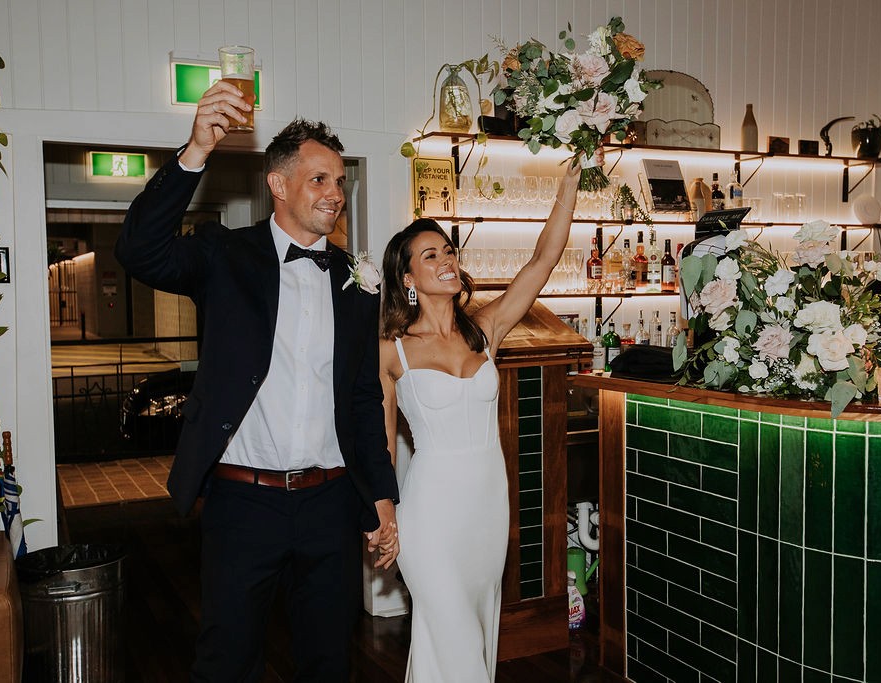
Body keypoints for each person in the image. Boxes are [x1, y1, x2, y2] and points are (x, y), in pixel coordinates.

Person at [115, 80, 399, 682]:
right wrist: (196, 150)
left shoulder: (356, 281)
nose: (335, 193)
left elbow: (362, 397)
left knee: (328, 662)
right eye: (319, 179)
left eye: (339, 181)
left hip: (330, 503)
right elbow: (139, 250)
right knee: (227, 661)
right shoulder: (226, 255)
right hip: (243, 502)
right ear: (279, 184)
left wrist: (382, 496)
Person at [378, 151, 597, 682]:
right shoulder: (391, 350)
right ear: (408, 278)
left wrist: (568, 187)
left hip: (487, 506)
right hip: (429, 513)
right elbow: (382, 444)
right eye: (430, 255)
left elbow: (542, 262)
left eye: (449, 250)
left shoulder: (484, 330)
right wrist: (382, 515)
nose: (446, 260)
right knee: (456, 639)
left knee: (469, 635)